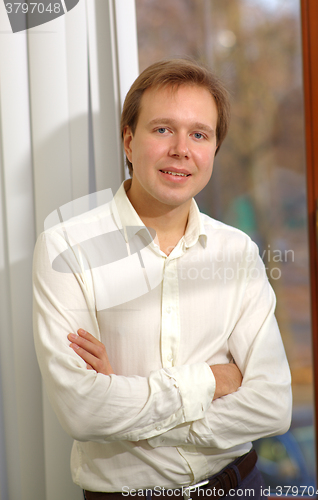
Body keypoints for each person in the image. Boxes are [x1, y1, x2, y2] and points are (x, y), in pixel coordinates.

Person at [33, 59, 292, 499]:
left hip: (240, 486)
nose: (181, 149)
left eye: (199, 134)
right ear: (129, 141)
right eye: (162, 130)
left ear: (213, 149)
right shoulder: (66, 250)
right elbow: (83, 411)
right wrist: (214, 380)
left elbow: (273, 405)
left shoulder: (238, 252)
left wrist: (131, 415)